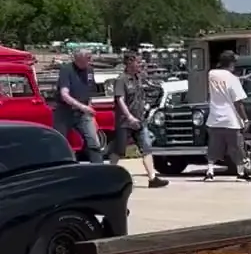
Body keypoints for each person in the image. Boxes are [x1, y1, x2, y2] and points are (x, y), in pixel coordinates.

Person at [110, 50, 168, 188]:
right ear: (129, 62)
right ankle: (108, 176)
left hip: (139, 120)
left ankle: (152, 178)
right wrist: (129, 117)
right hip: (125, 122)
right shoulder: (121, 80)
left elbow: (147, 93)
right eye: (137, 62)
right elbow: (120, 100)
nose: (140, 64)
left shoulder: (139, 78)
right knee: (119, 151)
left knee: (146, 147)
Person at [204, 50, 249, 181]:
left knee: (213, 146)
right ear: (232, 63)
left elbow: (222, 80)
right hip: (231, 119)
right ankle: (241, 173)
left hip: (214, 117)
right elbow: (238, 102)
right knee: (236, 147)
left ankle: (210, 171)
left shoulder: (211, 74)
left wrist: (241, 78)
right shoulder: (233, 79)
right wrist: (245, 119)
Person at [52, 47, 103, 161]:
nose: (90, 61)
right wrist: (82, 107)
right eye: (88, 58)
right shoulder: (66, 70)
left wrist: (90, 113)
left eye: (90, 58)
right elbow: (64, 95)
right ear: (78, 59)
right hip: (65, 111)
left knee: (94, 142)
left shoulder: (89, 70)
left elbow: (89, 93)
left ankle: (98, 169)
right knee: (59, 141)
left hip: (83, 112)